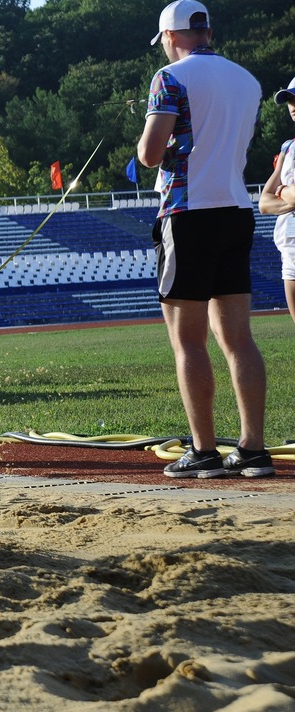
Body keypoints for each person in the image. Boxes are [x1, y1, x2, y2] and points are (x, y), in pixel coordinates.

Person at [136, 0, 273, 478]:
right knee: (238, 339)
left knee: (187, 342)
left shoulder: (168, 78)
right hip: (235, 209)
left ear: (171, 37)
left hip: (187, 214)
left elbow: (151, 154)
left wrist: (150, 141)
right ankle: (253, 448)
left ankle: (204, 450)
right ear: (206, 31)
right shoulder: (248, 80)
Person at [259, 76, 295, 324]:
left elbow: (275, 196)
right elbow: (263, 203)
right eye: (290, 100)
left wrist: (279, 191)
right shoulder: (288, 147)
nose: (292, 105)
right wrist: (287, 191)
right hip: (290, 249)